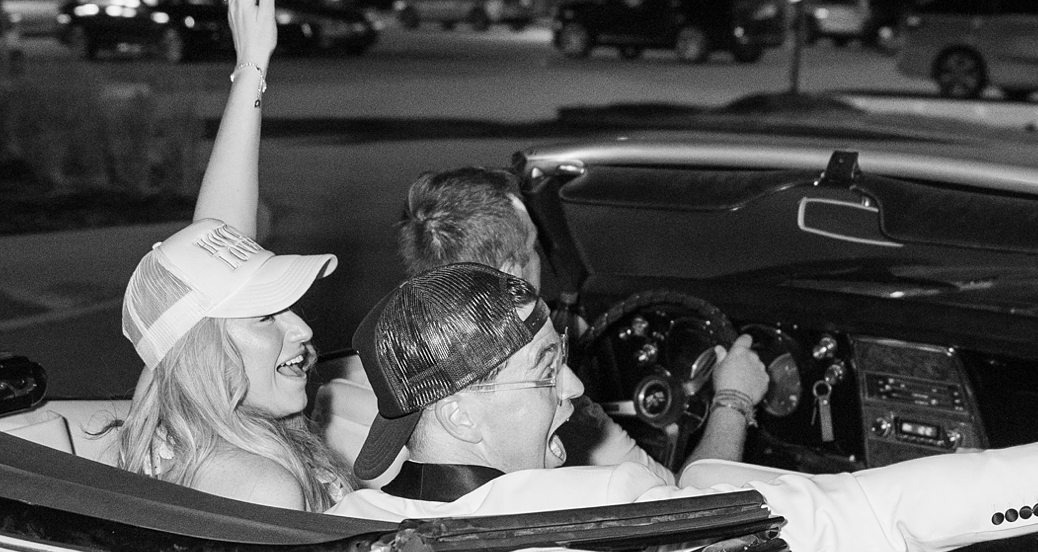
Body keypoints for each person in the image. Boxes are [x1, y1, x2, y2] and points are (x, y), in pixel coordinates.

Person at [335, 263, 1038, 552]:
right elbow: (877, 511)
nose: (571, 395)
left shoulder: (348, 522)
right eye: (548, 371)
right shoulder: (627, 524)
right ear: (461, 412)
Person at [317, 163, 770, 479]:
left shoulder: (336, 388)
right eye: (534, 246)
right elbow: (689, 508)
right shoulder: (551, 406)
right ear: (514, 273)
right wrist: (734, 399)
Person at [115, 0, 353, 510]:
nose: (302, 330)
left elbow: (214, 248)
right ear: (205, 352)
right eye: (268, 314)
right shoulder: (260, 485)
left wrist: (251, 69)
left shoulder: (184, 429)